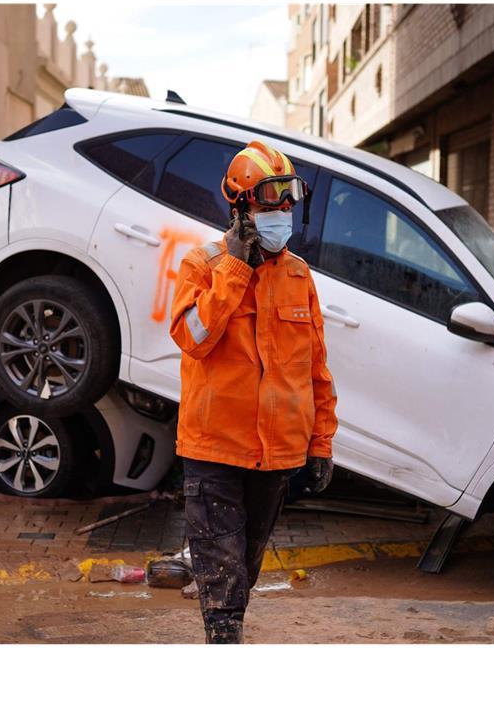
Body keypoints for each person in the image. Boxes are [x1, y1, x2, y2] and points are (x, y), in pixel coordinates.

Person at [169, 140, 338, 644]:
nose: (282, 214)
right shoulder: (202, 265)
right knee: (222, 586)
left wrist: (321, 443)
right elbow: (193, 338)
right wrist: (236, 269)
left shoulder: (298, 275)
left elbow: (316, 371)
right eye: (270, 204)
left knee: (243, 569)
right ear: (240, 208)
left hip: (275, 458)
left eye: (288, 204)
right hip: (214, 453)